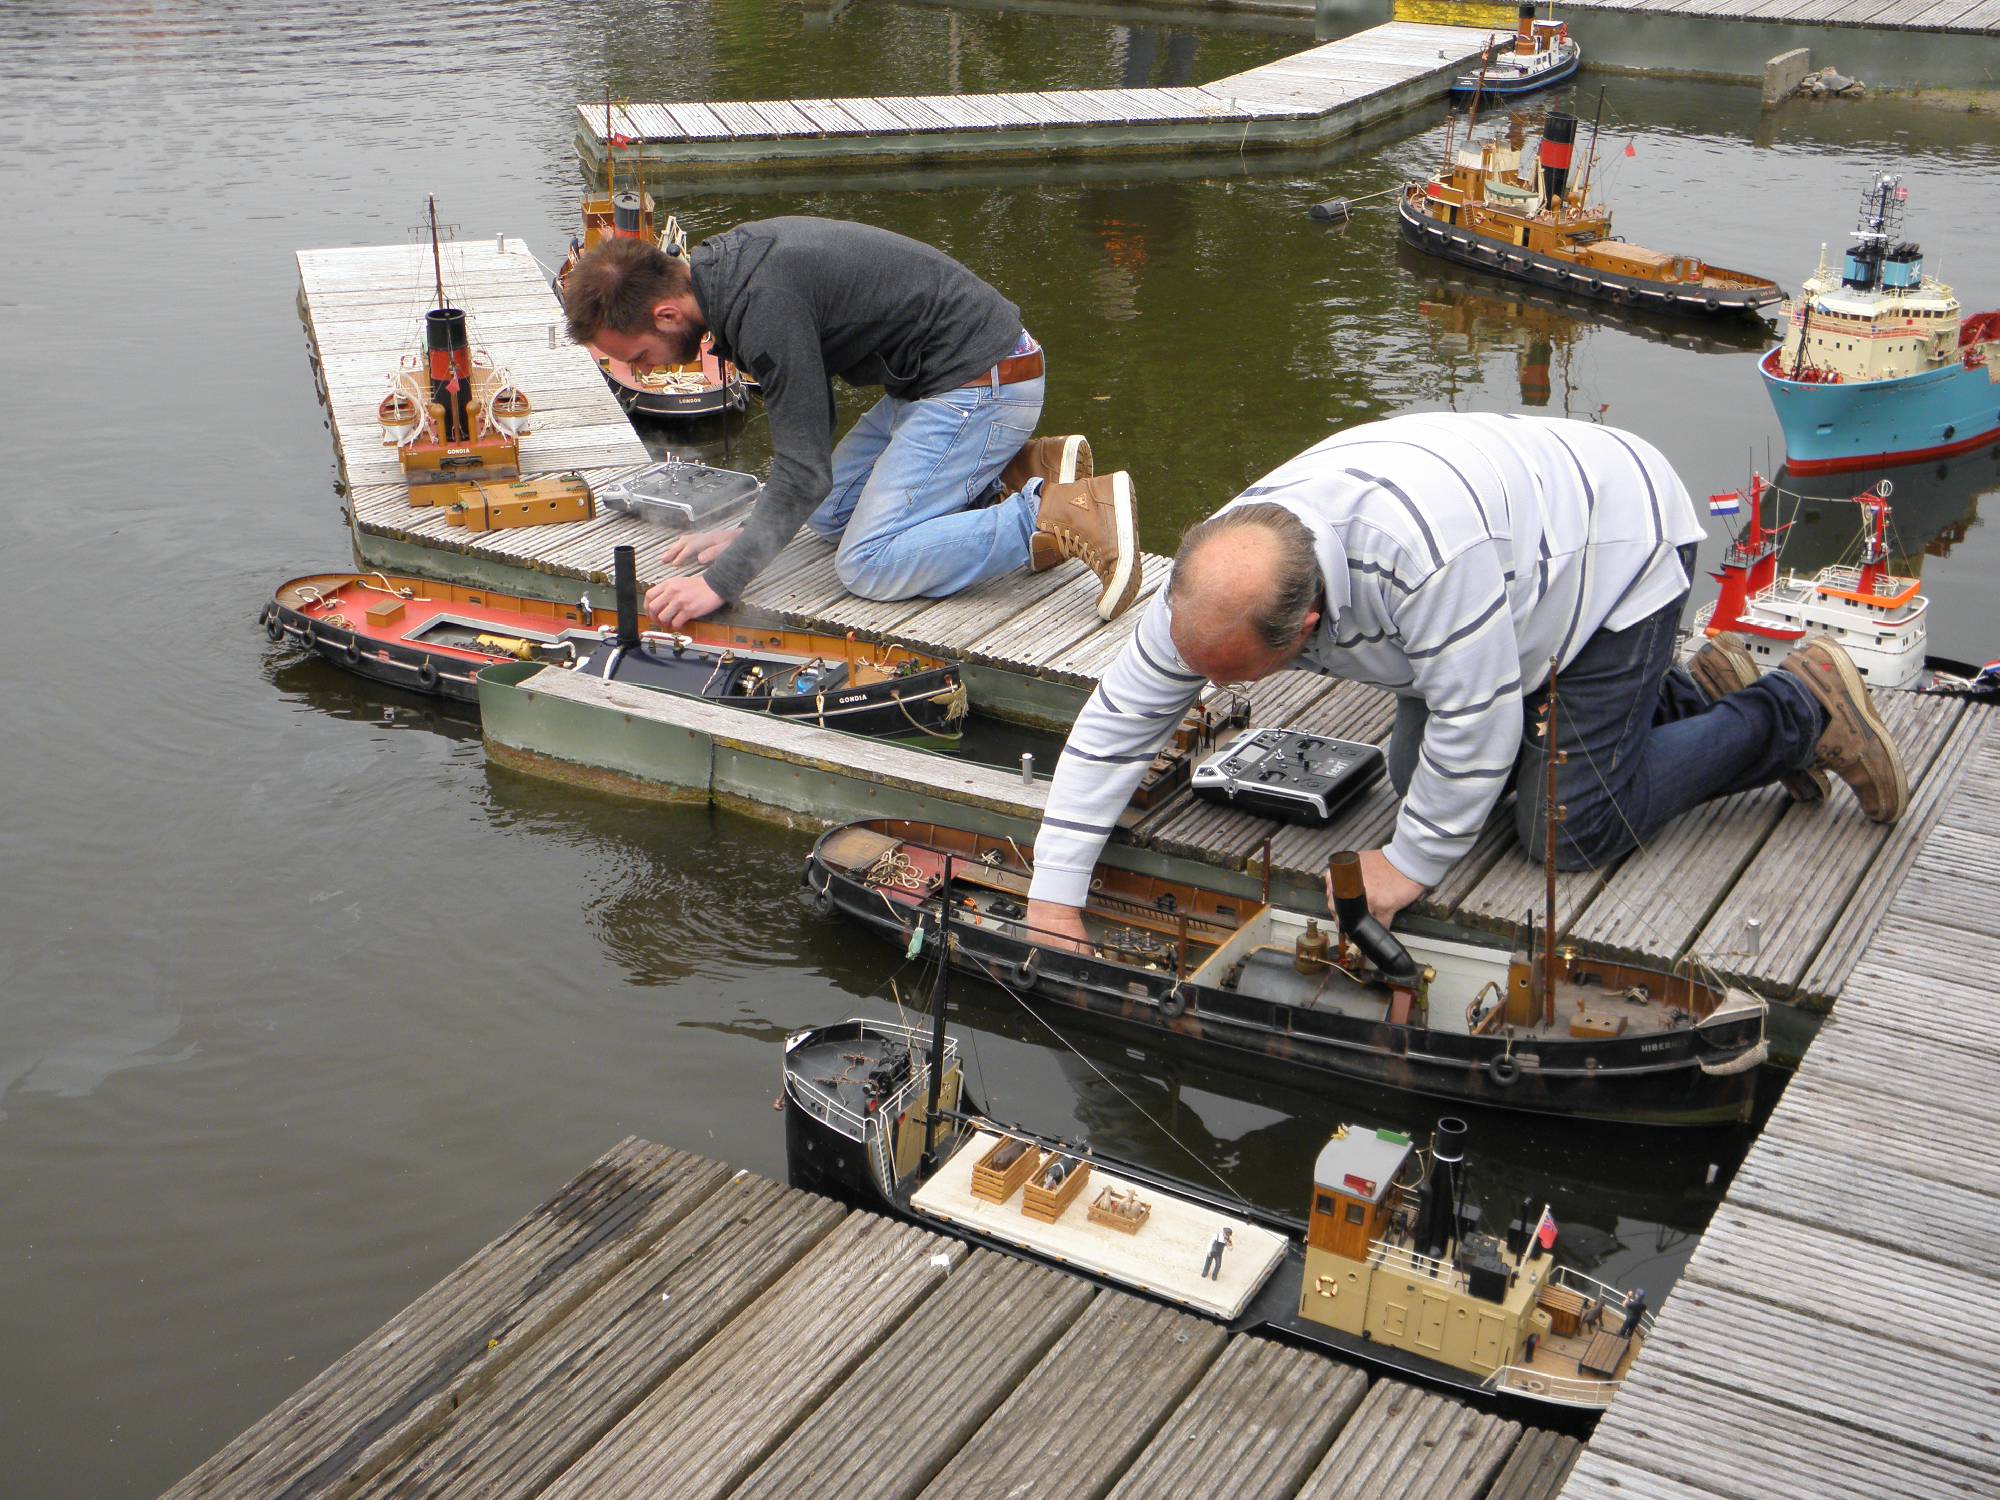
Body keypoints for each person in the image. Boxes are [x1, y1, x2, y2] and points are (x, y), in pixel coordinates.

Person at [1023, 411, 1908, 946]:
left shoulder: (1425, 562)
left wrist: (1407, 866)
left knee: (1561, 826)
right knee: (1425, 785)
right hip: (1513, 567)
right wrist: (1055, 901)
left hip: (1615, 548)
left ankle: (1797, 705)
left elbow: (1475, 721)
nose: (1198, 684)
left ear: (1310, 627)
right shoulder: (1222, 576)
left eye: (1230, 676)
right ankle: (1691, 695)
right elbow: (1117, 727)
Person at [560, 217, 1141, 628]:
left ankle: (1061, 512)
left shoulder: (764, 309)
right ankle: (1006, 469)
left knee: (867, 563)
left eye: (638, 357)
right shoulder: (720, 270)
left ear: (665, 313)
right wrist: (752, 532)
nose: (646, 370)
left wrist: (720, 582)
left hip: (983, 383)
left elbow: (803, 469)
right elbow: (806, 459)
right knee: (826, 517)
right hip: (947, 380)